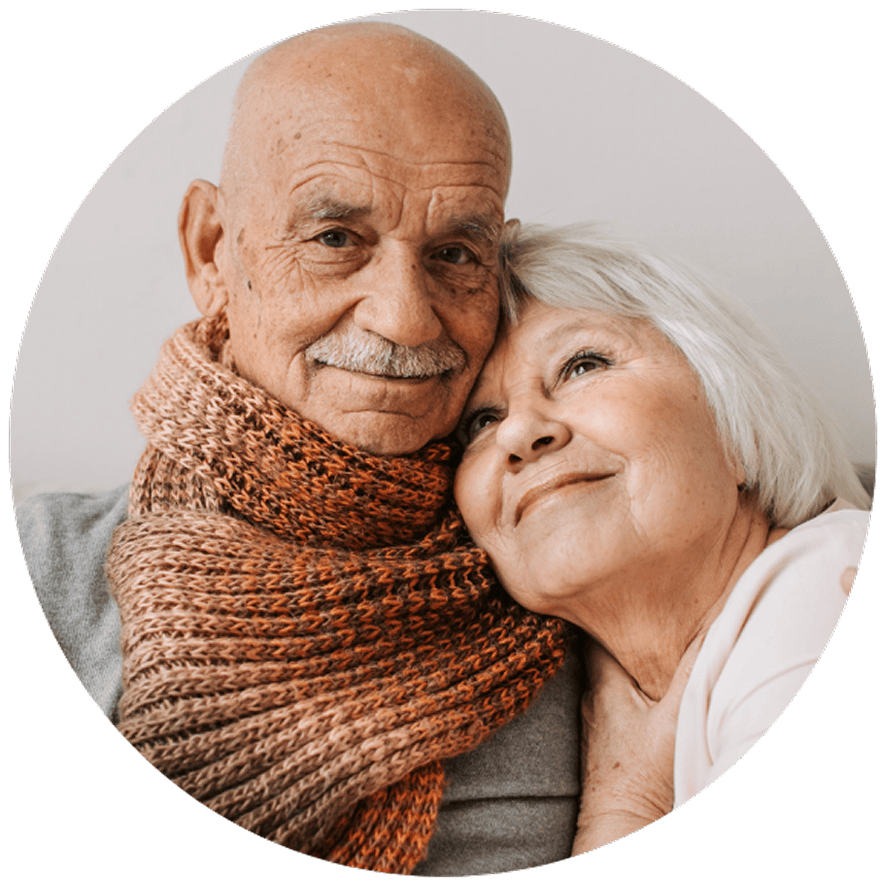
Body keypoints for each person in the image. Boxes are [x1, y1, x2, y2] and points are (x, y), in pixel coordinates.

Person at [15, 25, 582, 875]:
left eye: (455, 255)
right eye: (334, 239)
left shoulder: (580, 580)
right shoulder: (37, 566)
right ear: (212, 249)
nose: (403, 317)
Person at [453, 222, 871, 852]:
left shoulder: (821, 599)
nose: (519, 434)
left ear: (739, 421)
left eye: (581, 365)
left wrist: (621, 814)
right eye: (482, 421)